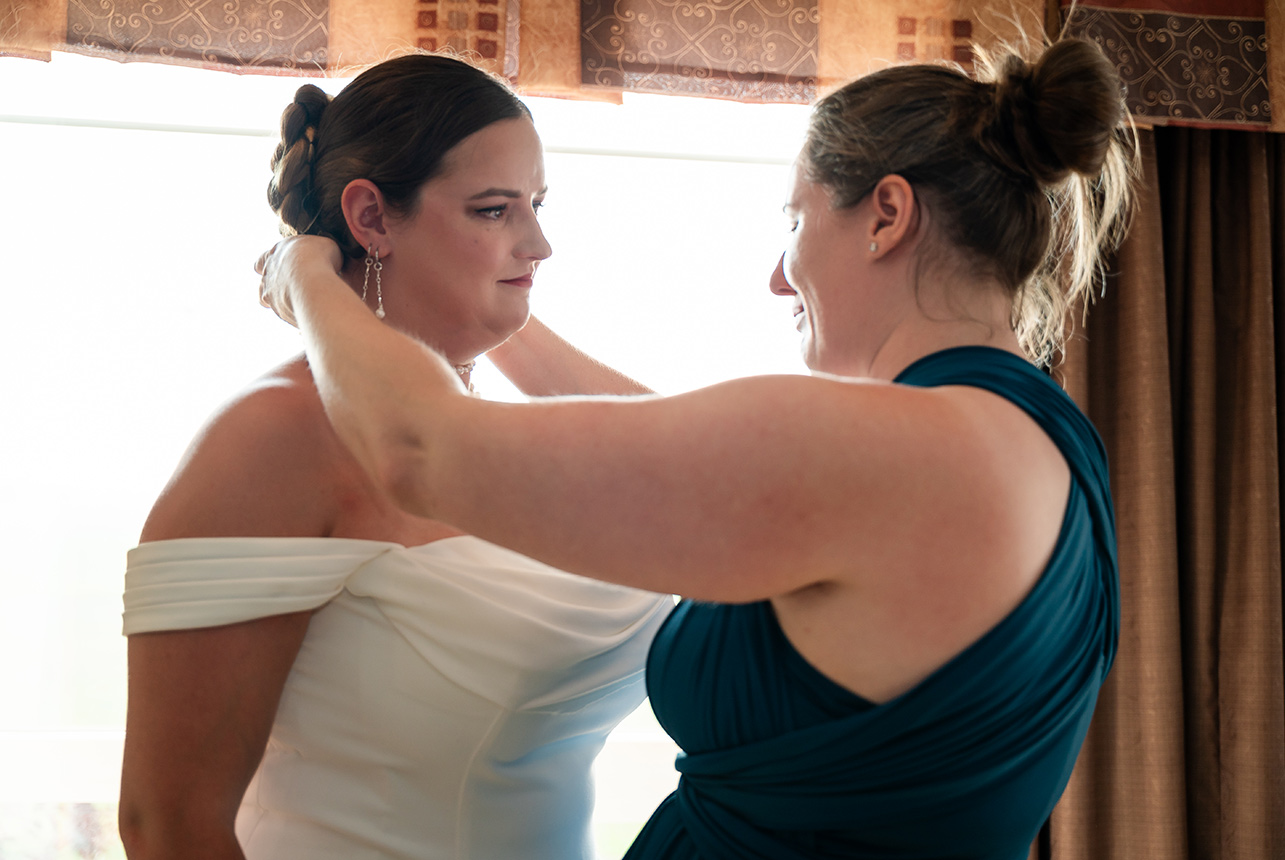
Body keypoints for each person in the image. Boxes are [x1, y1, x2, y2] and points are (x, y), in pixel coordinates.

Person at [258, 36, 1138, 860]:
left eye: (793, 220)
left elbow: (416, 448)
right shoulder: (1041, 442)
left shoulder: (888, 446)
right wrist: (493, 312)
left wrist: (301, 274)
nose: (777, 274)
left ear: (886, 216)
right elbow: (677, 454)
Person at [117, 53, 674, 860]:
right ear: (372, 218)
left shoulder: (473, 427)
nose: (540, 242)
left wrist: (482, 313)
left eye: (537, 205)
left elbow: (683, 475)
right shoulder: (275, 439)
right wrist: (324, 284)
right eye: (493, 211)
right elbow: (166, 826)